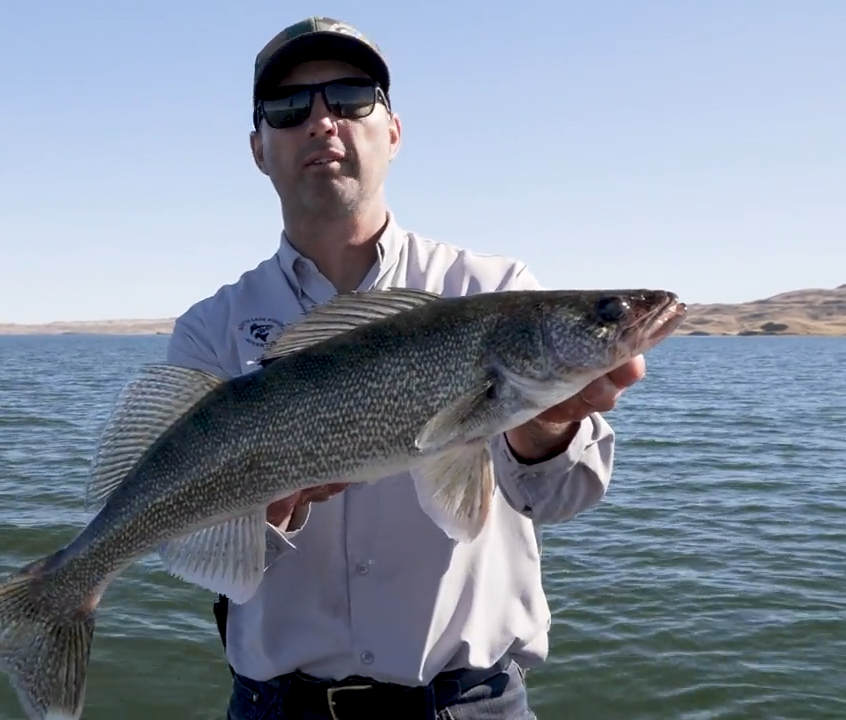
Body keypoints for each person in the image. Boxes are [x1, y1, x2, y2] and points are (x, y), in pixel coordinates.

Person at [166, 17, 646, 720]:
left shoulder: (492, 288)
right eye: (288, 108)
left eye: (352, 97)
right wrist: (258, 515)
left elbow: (563, 498)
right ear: (258, 149)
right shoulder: (210, 330)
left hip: (471, 703)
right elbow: (200, 552)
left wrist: (538, 433)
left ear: (393, 131)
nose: (323, 121)